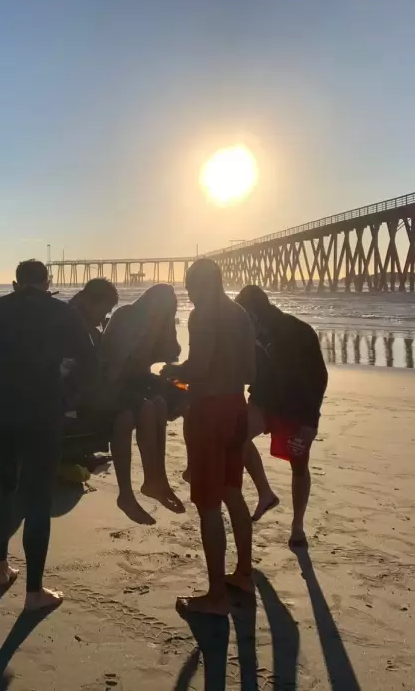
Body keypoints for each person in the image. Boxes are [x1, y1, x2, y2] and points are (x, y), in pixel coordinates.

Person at [0, 260, 97, 611]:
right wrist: (66, 395)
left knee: (2, 488)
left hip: (1, 412)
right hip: (43, 413)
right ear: (47, 283)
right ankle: (33, 593)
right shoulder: (61, 312)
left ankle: (1, 568)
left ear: (15, 283)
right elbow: (88, 361)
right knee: (38, 498)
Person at [161, 259, 256, 616]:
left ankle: (216, 596)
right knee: (233, 491)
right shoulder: (241, 314)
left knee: (208, 504)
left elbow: (198, 368)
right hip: (236, 406)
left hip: (209, 412)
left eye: (189, 286)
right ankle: (244, 573)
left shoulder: (202, 315)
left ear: (203, 284)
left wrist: (174, 372)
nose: (188, 293)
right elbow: (250, 370)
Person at [234, 285, 328, 548]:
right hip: (264, 401)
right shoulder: (250, 332)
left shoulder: (296, 332)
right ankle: (265, 493)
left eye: (244, 315)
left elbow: (319, 377)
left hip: (297, 406)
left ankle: (297, 526)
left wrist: (310, 424)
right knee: (236, 433)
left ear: (254, 312)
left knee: (298, 465)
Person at [68, 279, 151, 524]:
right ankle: (126, 493)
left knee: (146, 404)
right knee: (125, 415)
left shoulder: (78, 319)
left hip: (79, 391)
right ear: (87, 299)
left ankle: (149, 483)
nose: (104, 316)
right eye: (103, 310)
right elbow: (84, 368)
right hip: (71, 400)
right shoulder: (73, 323)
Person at [101, 283, 185, 521]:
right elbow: (115, 362)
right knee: (148, 408)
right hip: (115, 380)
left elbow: (171, 354)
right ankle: (131, 491)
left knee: (159, 403)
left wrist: (167, 330)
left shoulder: (158, 324)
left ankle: (157, 479)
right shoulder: (126, 315)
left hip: (137, 379)